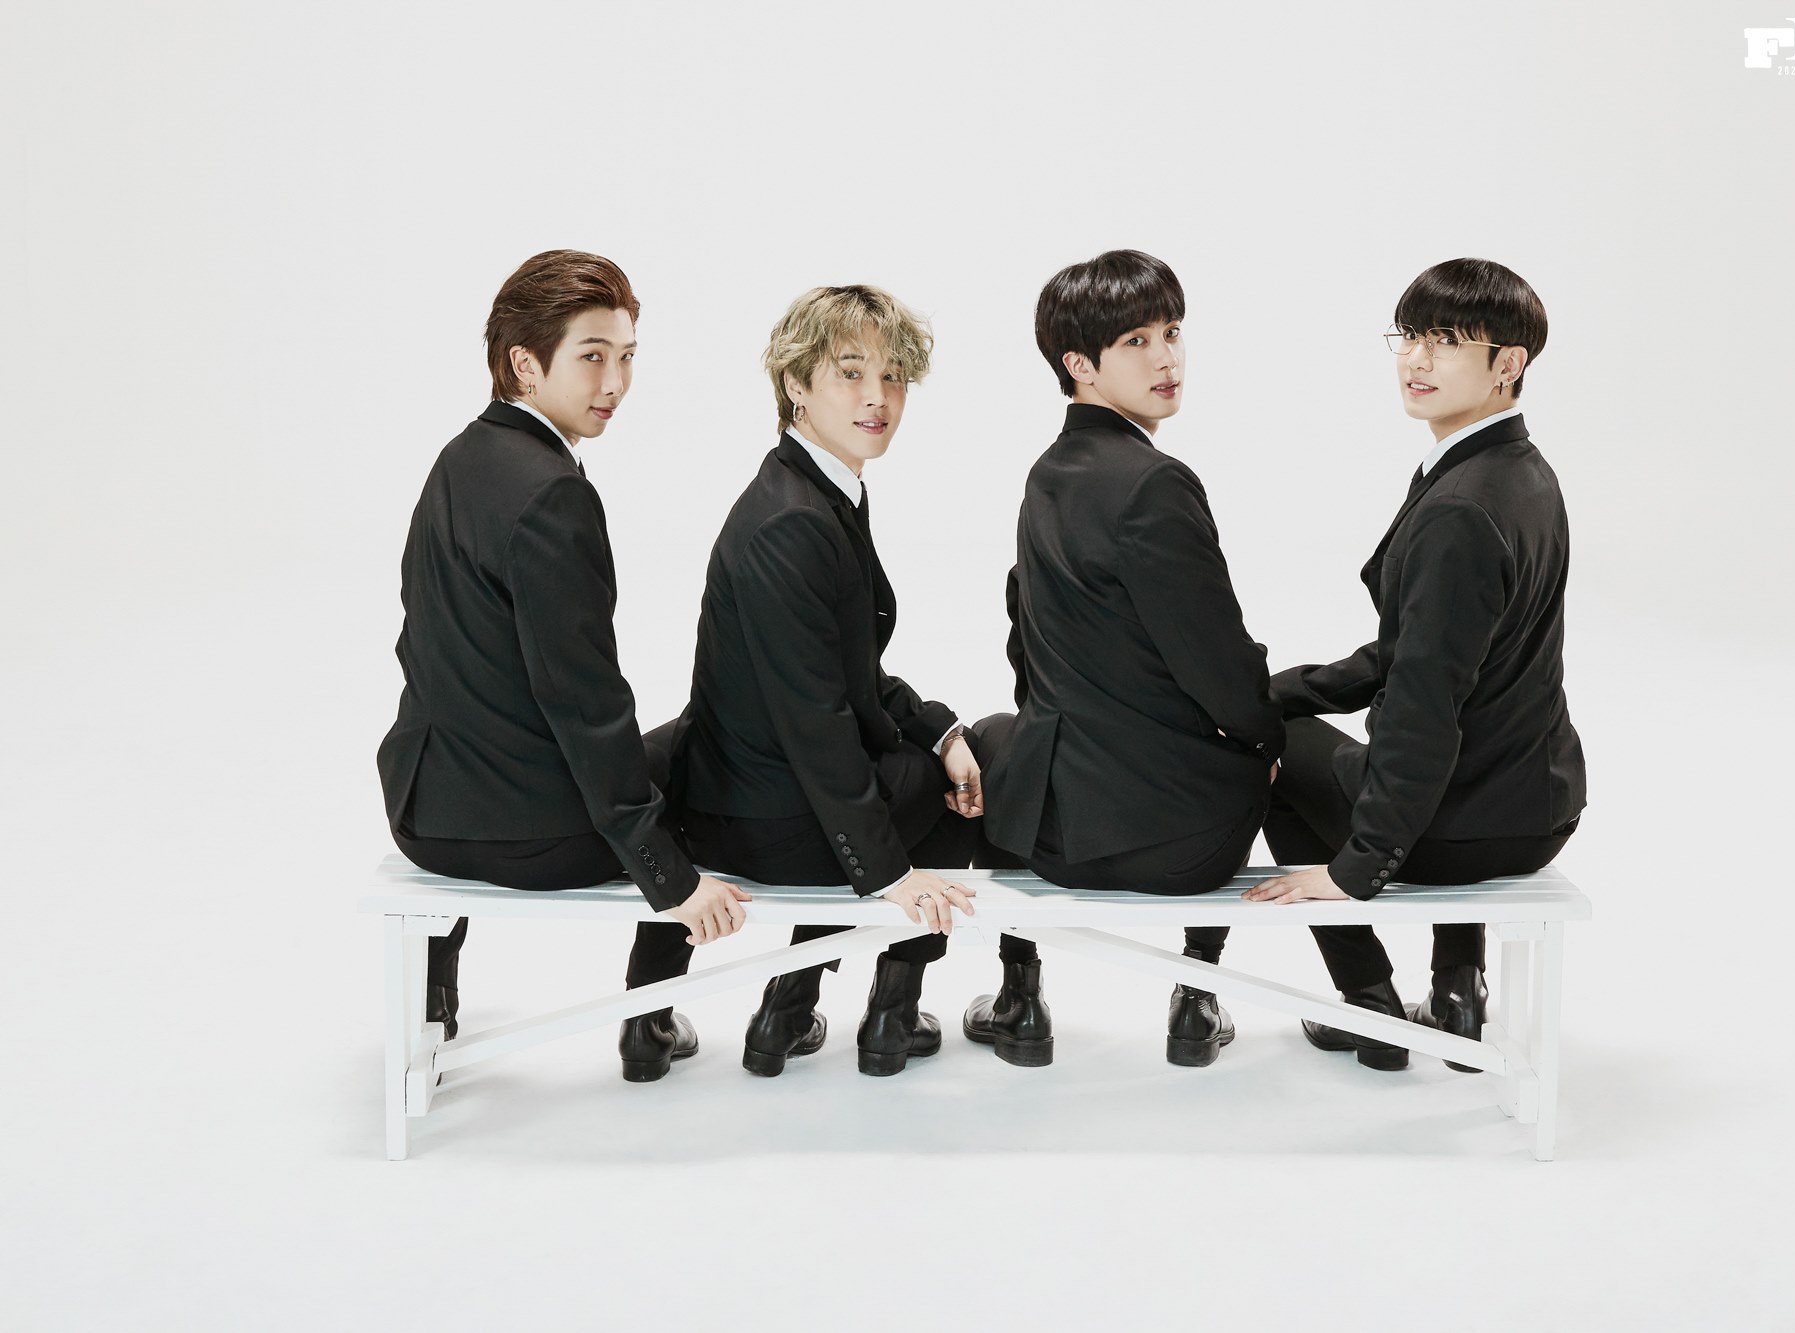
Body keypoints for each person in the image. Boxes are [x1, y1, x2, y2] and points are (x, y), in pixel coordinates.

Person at [377, 250, 749, 1084]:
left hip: (423, 808)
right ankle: (649, 1018)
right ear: (524, 362)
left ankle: (436, 995)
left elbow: (424, 644)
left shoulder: (458, 459)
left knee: (657, 745)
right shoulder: (552, 492)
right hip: (533, 834)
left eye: (627, 357)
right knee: (704, 751)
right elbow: (585, 701)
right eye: (591, 356)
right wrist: (668, 875)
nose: (615, 383)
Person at [1245, 257, 1586, 1071]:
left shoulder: (1461, 508)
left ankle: (1369, 1004)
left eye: (1448, 340)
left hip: (1463, 832)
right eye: (1409, 336)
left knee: (1272, 747)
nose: (1416, 359)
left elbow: (1423, 704)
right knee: (1289, 716)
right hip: (1539, 807)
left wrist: (1359, 866)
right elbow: (1416, 653)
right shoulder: (1522, 474)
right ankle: (1457, 991)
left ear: (1508, 364)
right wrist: (1282, 688)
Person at [964, 249, 1284, 1069]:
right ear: (1079, 364)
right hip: (1182, 844)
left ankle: (1020, 996)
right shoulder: (1155, 484)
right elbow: (1218, 664)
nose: (1167, 358)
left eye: (1172, 332)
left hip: (1054, 839)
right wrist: (1266, 738)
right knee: (1249, 743)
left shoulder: (1045, 477)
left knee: (996, 735)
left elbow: (1027, 641)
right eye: (1136, 341)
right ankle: (1197, 994)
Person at [673, 284, 981, 1079]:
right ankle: (886, 1016)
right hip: (759, 814)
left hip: (765, 789)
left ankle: (791, 1011)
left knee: (948, 762)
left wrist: (941, 729)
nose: (878, 397)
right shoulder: (791, 520)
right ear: (796, 385)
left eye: (893, 376)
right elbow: (818, 720)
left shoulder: (822, 490)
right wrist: (890, 876)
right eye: (850, 372)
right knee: (950, 800)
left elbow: (849, 670)